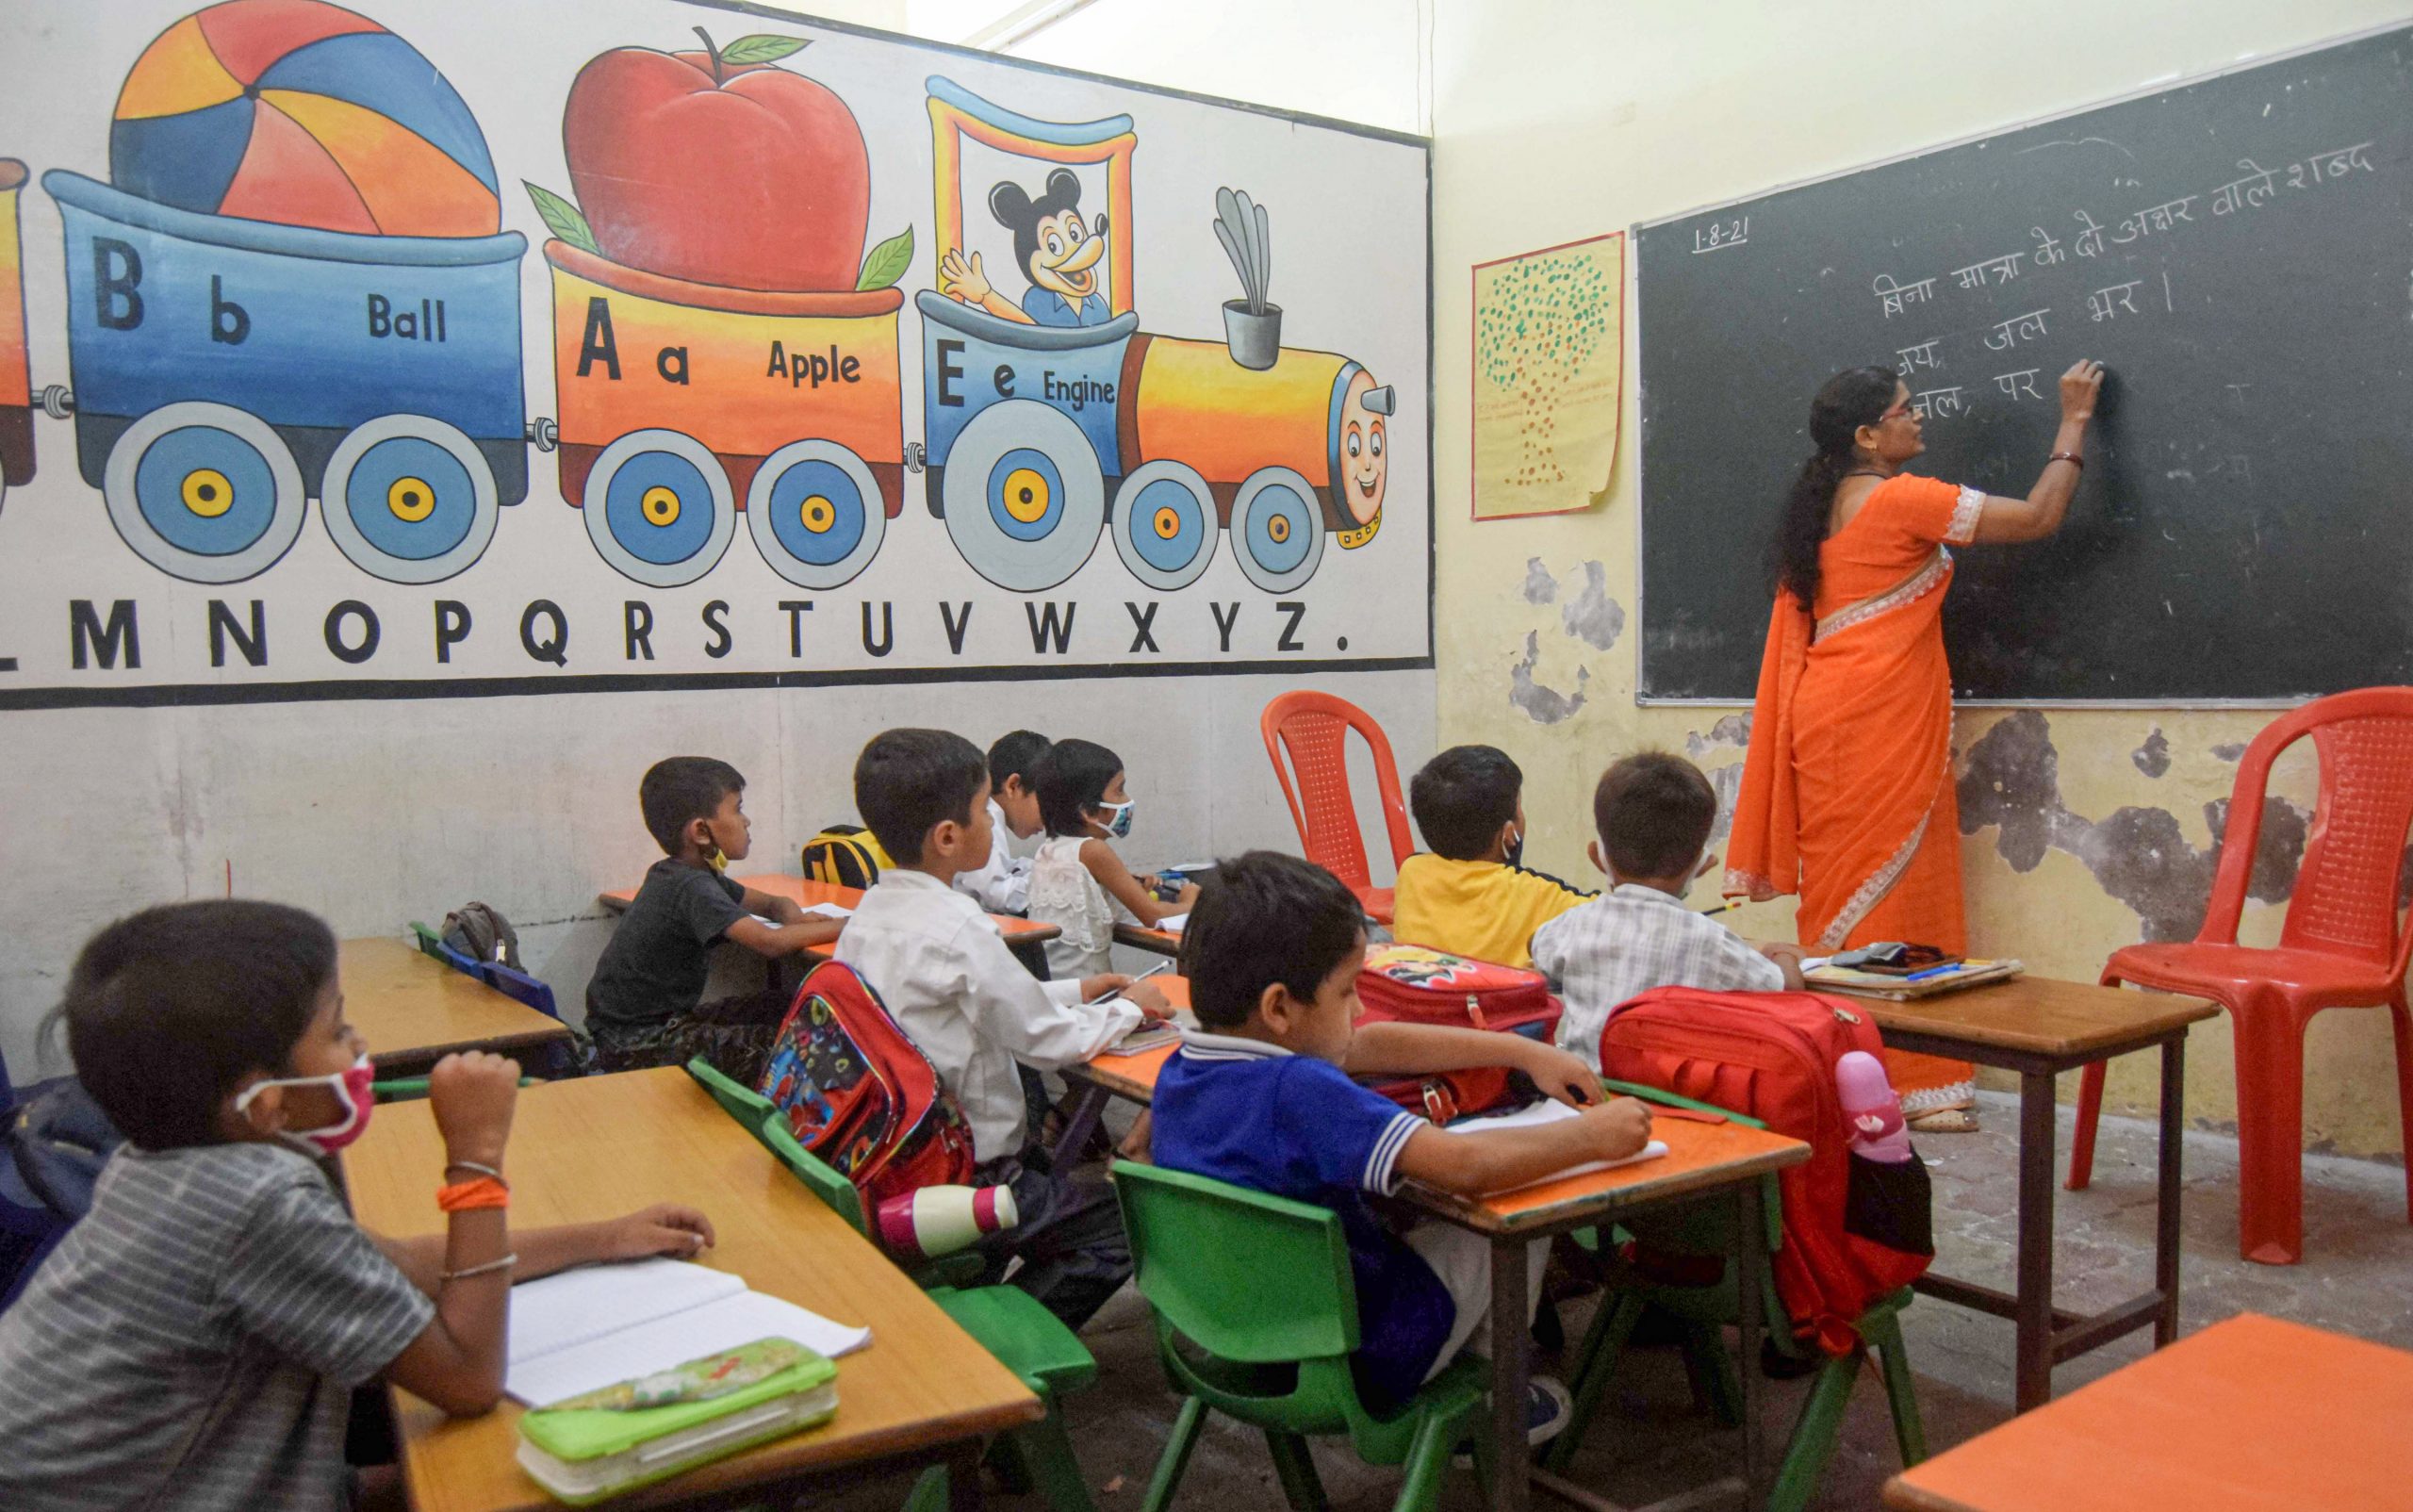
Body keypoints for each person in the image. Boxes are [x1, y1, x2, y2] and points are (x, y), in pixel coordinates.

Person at [0, 900, 714, 1512]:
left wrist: (603, 1238)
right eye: (339, 1030)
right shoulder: (255, 1206)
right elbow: (468, 1380)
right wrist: (476, 1156)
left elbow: (395, 1263)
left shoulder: (164, 1165)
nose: (360, 1045)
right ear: (265, 1103)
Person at [1153, 851, 1653, 1437]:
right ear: (1280, 1007)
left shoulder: (1183, 1071)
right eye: (1348, 992)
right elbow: (1467, 1166)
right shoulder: (1298, 1090)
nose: (1361, 1008)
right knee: (1516, 1212)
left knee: (1412, 1211)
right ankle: (1492, 1403)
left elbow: (1367, 1045)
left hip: (1241, 1335)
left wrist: (1522, 1051)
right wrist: (1590, 1135)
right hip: (1366, 1355)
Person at [1726, 359, 2105, 1131]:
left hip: (1830, 717)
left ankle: (1850, 1070)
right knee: (1899, 888)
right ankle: (1906, 1082)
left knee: (1851, 891)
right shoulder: (1904, 501)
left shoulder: (1821, 510)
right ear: (1869, 435)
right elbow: (2038, 517)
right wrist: (2074, 421)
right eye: (1906, 410)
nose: (1919, 417)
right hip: (1878, 721)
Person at [839, 729, 1172, 1328]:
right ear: (948, 837)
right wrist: (1130, 1008)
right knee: (1124, 1227)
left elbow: (977, 1000)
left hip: (899, 1153)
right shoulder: (957, 926)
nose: (993, 827)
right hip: (971, 1169)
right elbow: (1047, 1042)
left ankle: (978, 1306)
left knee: (1056, 1189)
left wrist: (1078, 990)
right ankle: (999, 1346)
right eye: (982, 811)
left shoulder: (871, 916)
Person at [1534, 752, 1807, 1062]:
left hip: (1584, 1088)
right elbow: (1788, 991)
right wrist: (1782, 955)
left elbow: (1537, 946)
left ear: (1597, 857)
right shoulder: (1711, 942)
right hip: (1674, 1090)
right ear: (1703, 865)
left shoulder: (1574, 925)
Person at [585, 758, 844, 1085]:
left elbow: (771, 903)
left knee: (781, 1004)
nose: (746, 821)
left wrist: (794, 916)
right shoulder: (692, 886)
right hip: (637, 1044)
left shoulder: (681, 874)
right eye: (737, 809)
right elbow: (769, 943)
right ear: (700, 831)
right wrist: (852, 924)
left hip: (640, 1027)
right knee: (799, 1046)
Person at [1393, 745, 1593, 968]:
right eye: (1520, 809)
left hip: (1427, 990)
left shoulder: (1412, 873)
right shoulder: (1536, 894)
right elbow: (1613, 915)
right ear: (1508, 834)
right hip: (1504, 993)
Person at [1026, 737, 1195, 979]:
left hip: (1055, 986)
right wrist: (1192, 900)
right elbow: (1153, 916)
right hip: (1088, 991)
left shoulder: (1048, 849)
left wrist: (1135, 888)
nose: (1127, 801)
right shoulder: (1093, 851)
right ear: (1088, 811)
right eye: (1119, 790)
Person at [954, 730, 1050, 915]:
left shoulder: (987, 812)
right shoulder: (984, 817)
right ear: (1013, 786)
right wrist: (1054, 886)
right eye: (1047, 803)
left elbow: (998, 868)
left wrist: (1041, 867)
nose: (1049, 818)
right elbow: (998, 893)